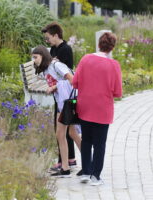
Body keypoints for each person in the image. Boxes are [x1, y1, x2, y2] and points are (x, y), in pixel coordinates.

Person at [72, 32, 122, 185]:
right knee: (100, 143)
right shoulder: (113, 65)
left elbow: (75, 82)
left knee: (86, 140)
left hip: (85, 106)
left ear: (99, 44)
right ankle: (95, 176)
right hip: (102, 109)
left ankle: (85, 172)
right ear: (112, 47)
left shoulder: (86, 59)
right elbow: (117, 92)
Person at [32, 45, 81, 177]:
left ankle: (67, 167)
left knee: (61, 134)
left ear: (43, 55)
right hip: (63, 103)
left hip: (67, 103)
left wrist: (54, 86)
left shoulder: (56, 65)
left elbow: (72, 80)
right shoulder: (45, 69)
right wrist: (54, 88)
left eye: (36, 57)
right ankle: (84, 163)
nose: (34, 60)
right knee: (72, 133)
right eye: (33, 58)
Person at [41, 22, 80, 174]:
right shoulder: (54, 49)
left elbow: (67, 77)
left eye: (48, 37)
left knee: (66, 130)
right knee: (66, 130)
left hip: (66, 96)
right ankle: (68, 160)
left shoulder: (66, 50)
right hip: (59, 95)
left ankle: (67, 162)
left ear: (56, 35)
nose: (47, 41)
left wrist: (53, 87)